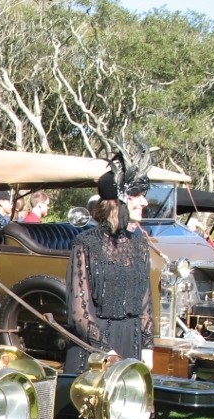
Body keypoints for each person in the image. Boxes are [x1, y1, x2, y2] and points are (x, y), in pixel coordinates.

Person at [64, 154, 154, 373]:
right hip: (93, 350)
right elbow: (79, 311)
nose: (145, 202)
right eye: (137, 195)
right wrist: (106, 352)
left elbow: (145, 304)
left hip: (132, 344)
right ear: (117, 200)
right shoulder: (85, 244)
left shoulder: (140, 245)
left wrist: (148, 347)